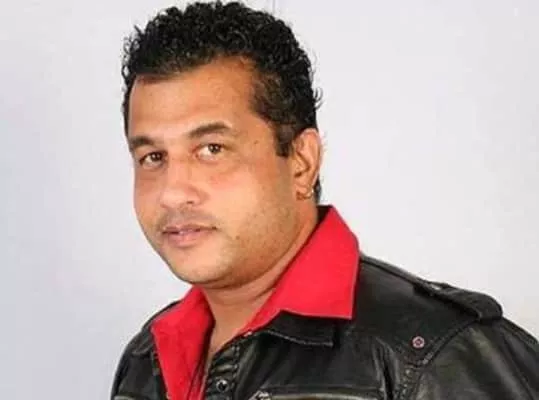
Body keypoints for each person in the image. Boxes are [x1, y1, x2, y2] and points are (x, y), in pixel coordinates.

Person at [110, 2, 539, 399]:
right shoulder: (145, 359)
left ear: (301, 162)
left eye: (212, 149)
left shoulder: (436, 356)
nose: (172, 191)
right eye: (153, 157)